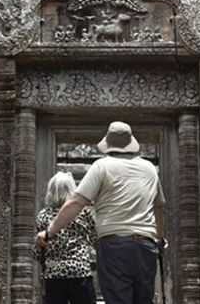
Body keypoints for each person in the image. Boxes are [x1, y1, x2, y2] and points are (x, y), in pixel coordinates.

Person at [36, 121, 166, 304]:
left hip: (114, 247)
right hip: (145, 246)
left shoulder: (101, 166)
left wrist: (50, 232)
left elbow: (76, 202)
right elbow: (158, 208)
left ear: (109, 144)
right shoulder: (150, 169)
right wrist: (160, 239)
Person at [34, 171, 98, 304]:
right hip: (80, 272)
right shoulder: (82, 212)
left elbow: (37, 252)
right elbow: (95, 239)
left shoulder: (43, 216)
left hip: (54, 275)